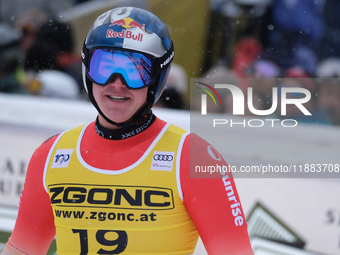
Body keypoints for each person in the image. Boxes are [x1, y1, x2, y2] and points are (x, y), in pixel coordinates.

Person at [1, 7, 253, 255]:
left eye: (134, 70)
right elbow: (23, 249)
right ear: (87, 69)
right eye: (104, 66)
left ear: (157, 78)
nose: (117, 83)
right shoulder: (51, 154)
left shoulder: (193, 157)